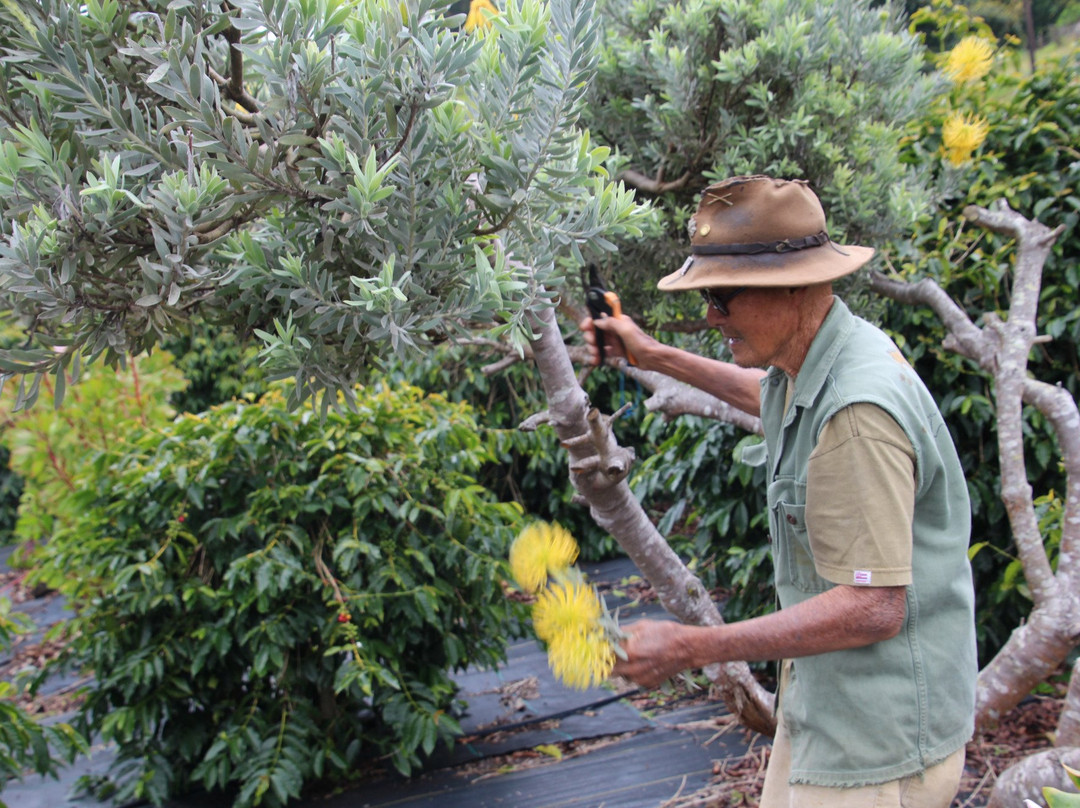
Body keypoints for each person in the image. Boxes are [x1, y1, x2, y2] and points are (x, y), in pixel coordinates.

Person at [580, 175, 977, 808]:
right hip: (829, 708)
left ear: (791, 284)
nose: (711, 315)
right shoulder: (826, 355)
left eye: (723, 296)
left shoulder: (856, 414)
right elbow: (772, 399)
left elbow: (874, 607)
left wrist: (693, 646)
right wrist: (652, 355)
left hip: (878, 742)